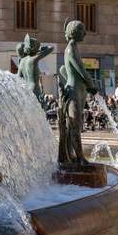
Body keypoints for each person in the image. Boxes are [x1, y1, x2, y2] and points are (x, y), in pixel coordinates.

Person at [58, 18, 98, 164]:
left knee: (76, 125)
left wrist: (86, 86)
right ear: (74, 32)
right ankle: (80, 158)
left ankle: (73, 156)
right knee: (74, 124)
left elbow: (65, 70)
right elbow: (82, 71)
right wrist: (92, 86)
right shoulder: (70, 49)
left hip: (79, 91)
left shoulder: (74, 49)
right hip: (73, 91)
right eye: (82, 30)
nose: (85, 33)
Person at [16, 35, 54, 100]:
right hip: (34, 87)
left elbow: (18, 77)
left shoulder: (22, 61)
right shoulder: (34, 58)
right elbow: (51, 48)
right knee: (40, 108)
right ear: (34, 49)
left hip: (25, 88)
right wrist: (39, 49)